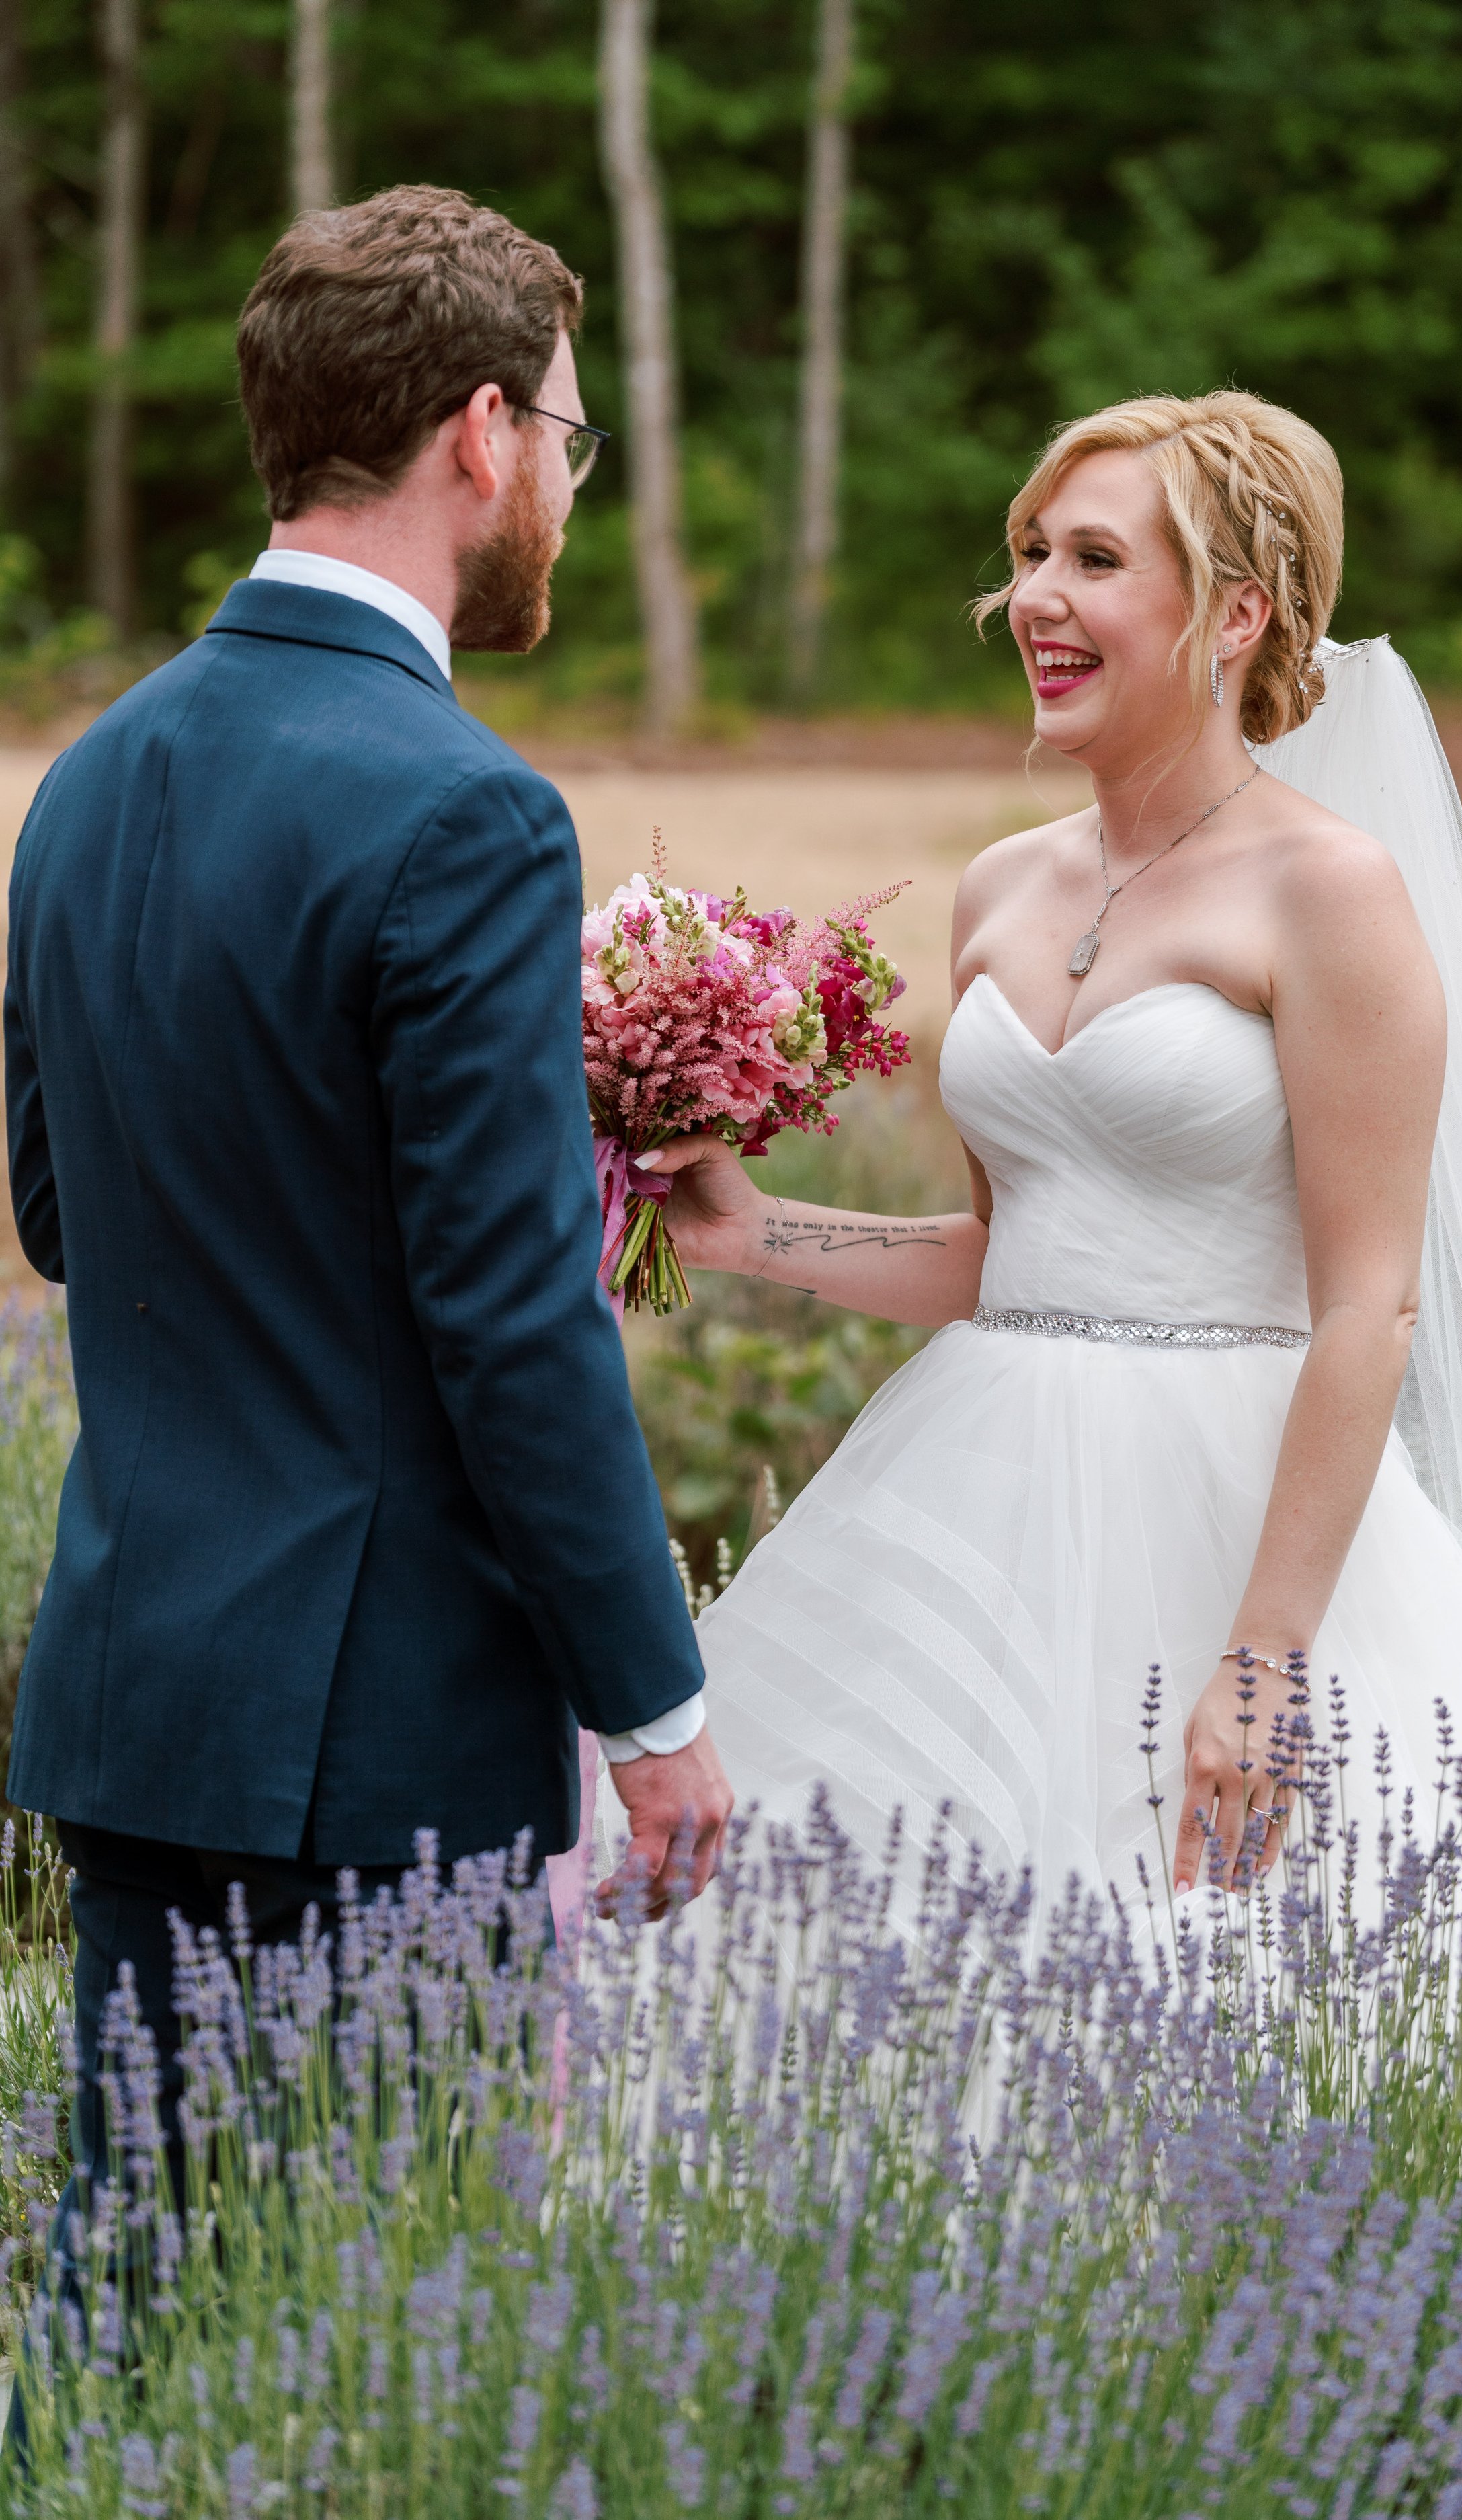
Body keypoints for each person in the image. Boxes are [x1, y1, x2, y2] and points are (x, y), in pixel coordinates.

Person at [642, 389, 1462, 1908]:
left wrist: (1261, 1661)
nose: (1034, 599)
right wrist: (751, 1230)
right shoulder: (996, 888)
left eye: (1095, 560)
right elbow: (1008, 1259)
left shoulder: (1328, 893)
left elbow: (1367, 1306)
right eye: (1032, 552)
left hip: (1239, 1523)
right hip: (976, 1492)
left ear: (1235, 613)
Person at [3, 186, 732, 2229]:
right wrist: (653, 1707)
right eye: (571, 445)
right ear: (480, 435)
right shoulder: (465, 808)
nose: (564, 494)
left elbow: (66, 1210)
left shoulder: (87, 776)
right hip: (381, 1734)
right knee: (376, 2317)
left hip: (142, 1693)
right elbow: (508, 1327)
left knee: (136, 2300)